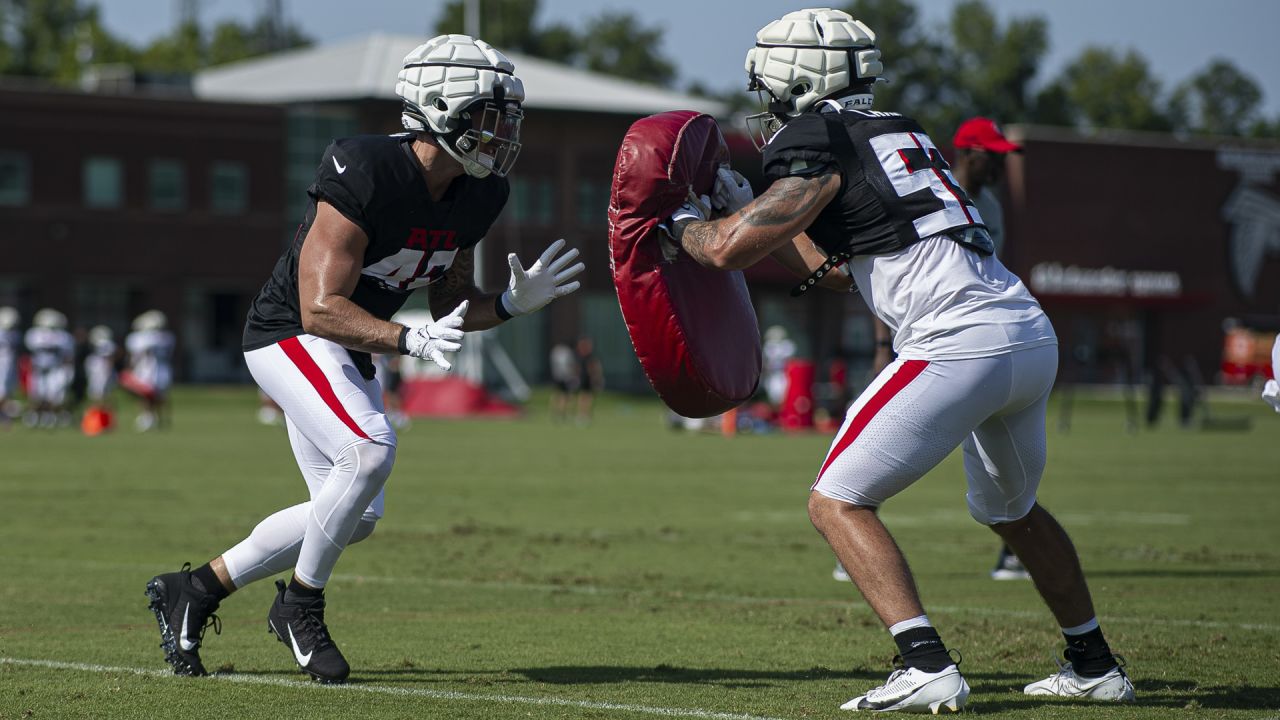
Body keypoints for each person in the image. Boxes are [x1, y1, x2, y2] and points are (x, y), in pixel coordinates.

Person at [668, 8, 1132, 711]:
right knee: (1014, 512)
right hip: (1024, 331)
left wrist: (686, 226)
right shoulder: (895, 130)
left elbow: (727, 249)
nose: (766, 103)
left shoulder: (813, 134)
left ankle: (924, 663)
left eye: (769, 85)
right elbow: (835, 266)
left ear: (796, 79)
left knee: (836, 501)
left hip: (956, 341)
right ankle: (1095, 663)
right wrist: (754, 213)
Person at [144, 34, 583, 684]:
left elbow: (449, 307)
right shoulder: (365, 166)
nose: (503, 131)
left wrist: (514, 305)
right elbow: (320, 306)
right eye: (491, 115)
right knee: (372, 450)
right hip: (289, 334)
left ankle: (197, 591)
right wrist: (405, 341)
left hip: (350, 345)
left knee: (356, 514)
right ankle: (300, 604)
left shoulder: (481, 194)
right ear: (441, 108)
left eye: (507, 118)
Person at [952, 117, 1031, 581]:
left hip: (982, 338)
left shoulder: (992, 206)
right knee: (892, 443)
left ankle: (1016, 549)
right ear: (969, 153)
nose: (1001, 163)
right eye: (994, 155)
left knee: (999, 451)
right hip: (931, 338)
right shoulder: (935, 195)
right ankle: (853, 538)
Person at [120, 310, 175, 431]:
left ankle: (149, 417)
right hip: (162, 369)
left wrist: (130, 368)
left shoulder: (144, 338)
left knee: (147, 395)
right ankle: (156, 418)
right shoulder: (167, 337)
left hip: (147, 369)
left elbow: (136, 356)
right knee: (156, 396)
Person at [23, 308, 74, 429]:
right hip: (38, 368)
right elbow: (29, 352)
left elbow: (67, 355)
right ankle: (33, 417)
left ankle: (48, 417)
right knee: (37, 395)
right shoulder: (34, 334)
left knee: (53, 395)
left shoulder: (63, 336)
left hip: (54, 369)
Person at [573, 336, 603, 423]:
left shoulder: (589, 357)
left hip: (587, 379)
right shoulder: (583, 357)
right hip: (585, 379)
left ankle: (585, 415)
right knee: (584, 397)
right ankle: (583, 415)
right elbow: (592, 368)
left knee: (587, 397)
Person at [548, 341, 579, 421]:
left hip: (556, 376)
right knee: (567, 396)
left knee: (558, 395)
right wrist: (574, 375)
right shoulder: (568, 352)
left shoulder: (555, 351)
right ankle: (565, 414)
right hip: (566, 377)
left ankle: (557, 413)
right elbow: (571, 365)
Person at [0, 306, 20, 424]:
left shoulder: (14, 334)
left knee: (8, 391)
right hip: (2, 364)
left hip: (9, 364)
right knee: (2, 391)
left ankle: (4, 415)